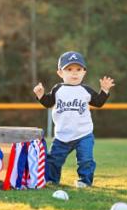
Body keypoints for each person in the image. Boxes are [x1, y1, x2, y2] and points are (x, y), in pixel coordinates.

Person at [33, 51, 115, 188]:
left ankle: (85, 181)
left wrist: (104, 91)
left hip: (84, 134)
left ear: (84, 72)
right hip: (62, 135)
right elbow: (48, 103)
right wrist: (41, 95)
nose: (74, 73)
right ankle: (52, 180)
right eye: (69, 69)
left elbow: (98, 102)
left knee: (86, 160)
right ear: (60, 73)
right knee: (53, 160)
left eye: (78, 69)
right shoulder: (58, 89)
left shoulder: (85, 90)